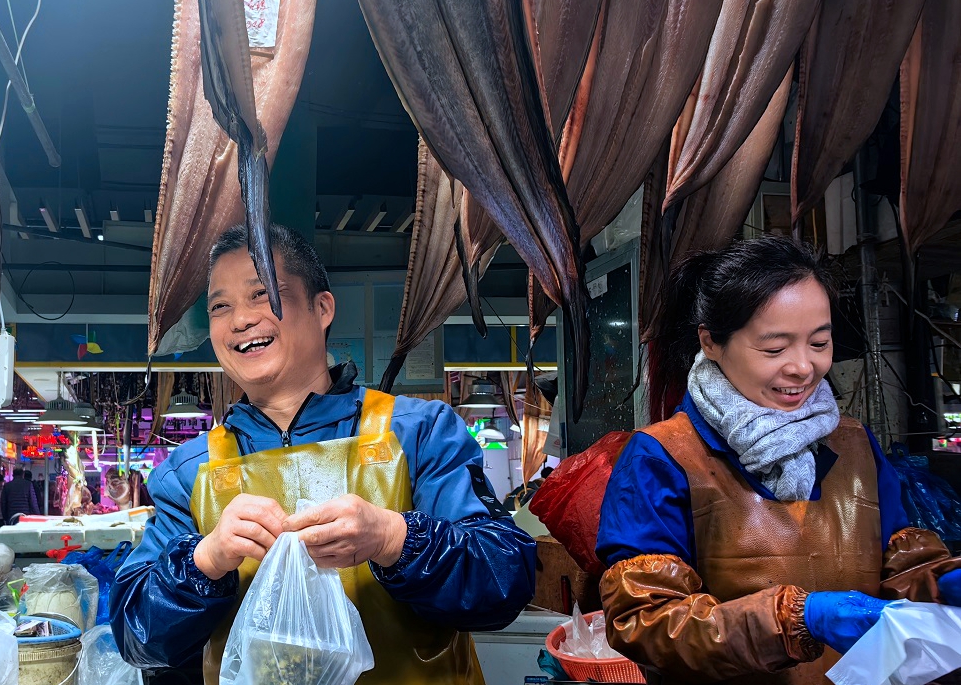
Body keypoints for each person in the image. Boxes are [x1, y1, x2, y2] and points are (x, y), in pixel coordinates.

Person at [111, 224, 536, 684]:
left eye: (263, 295)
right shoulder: (188, 472)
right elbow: (137, 638)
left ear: (322, 308)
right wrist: (205, 560)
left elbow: (505, 580)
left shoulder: (420, 433)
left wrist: (394, 540)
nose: (240, 320)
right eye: (220, 306)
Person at [596, 237, 961, 684]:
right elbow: (644, 621)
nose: (803, 367)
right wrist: (796, 619)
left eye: (820, 342)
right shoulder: (663, 456)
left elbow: (901, 568)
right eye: (775, 349)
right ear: (711, 341)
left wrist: (942, 583)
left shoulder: (855, 444)